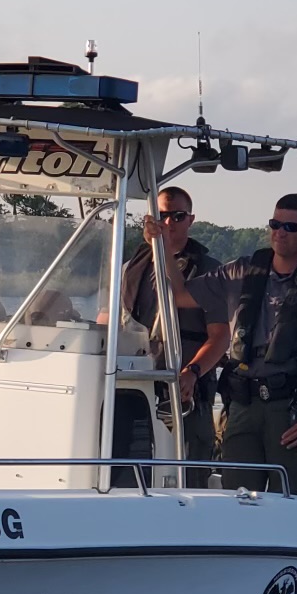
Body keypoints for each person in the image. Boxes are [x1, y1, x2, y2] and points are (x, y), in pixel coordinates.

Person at [148, 192, 297, 495]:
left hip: (291, 411)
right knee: (237, 495)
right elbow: (178, 295)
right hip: (242, 404)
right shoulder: (241, 271)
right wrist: (163, 247)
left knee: (285, 500)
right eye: (275, 224)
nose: (280, 232)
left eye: (291, 227)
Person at [108, 186, 229, 486]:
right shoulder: (130, 268)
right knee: (125, 469)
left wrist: (193, 372)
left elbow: (220, 337)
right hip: (134, 388)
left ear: (191, 220)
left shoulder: (210, 272)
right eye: (163, 216)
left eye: (178, 216)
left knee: (190, 474)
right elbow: (113, 319)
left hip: (186, 390)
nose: (169, 222)